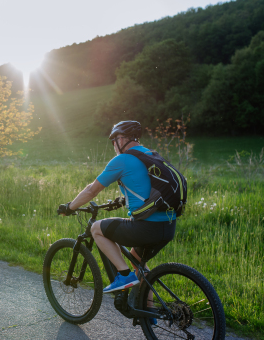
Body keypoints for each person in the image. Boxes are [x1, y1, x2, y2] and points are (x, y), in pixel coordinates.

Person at [58, 120, 176, 300]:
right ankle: (149, 311)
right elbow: (145, 187)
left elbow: (92, 190)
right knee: (137, 259)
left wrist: (70, 206)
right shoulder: (150, 154)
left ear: (121, 140)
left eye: (114, 141)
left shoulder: (122, 159)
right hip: (168, 226)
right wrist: (122, 200)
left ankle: (123, 275)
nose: (114, 145)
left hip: (146, 228)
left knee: (96, 228)